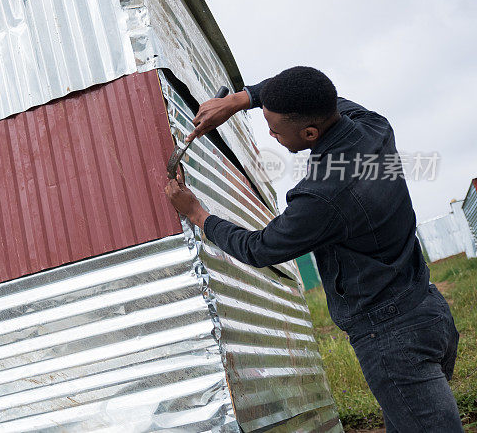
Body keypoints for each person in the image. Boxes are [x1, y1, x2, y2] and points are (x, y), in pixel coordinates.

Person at [165, 66, 461, 432]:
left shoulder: (323, 196)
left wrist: (198, 214)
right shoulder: (371, 126)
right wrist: (242, 100)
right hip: (428, 310)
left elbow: (261, 248)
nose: (269, 133)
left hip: (392, 339)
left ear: (309, 133)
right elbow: (313, 90)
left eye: (274, 128)